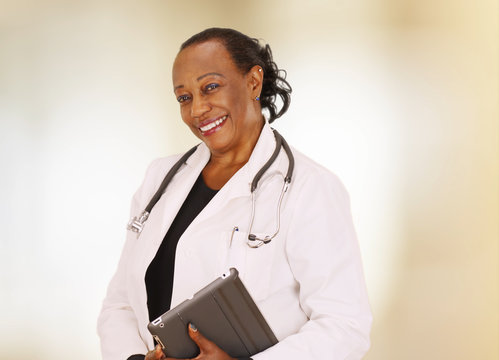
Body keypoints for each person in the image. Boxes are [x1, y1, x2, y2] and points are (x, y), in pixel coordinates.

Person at [97, 28, 372, 360]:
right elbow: (122, 302)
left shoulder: (310, 188)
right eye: (184, 97)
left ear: (253, 82)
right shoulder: (160, 179)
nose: (197, 109)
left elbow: (345, 327)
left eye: (210, 87)